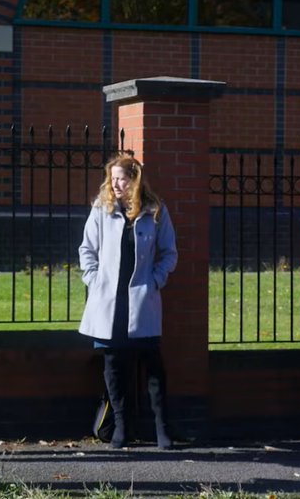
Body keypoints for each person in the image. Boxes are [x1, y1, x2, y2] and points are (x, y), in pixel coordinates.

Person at [78, 151, 178, 450]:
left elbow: (169, 253)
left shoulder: (155, 211)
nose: (116, 184)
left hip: (141, 301)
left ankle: (162, 429)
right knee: (114, 367)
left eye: (122, 178)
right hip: (109, 303)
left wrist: (155, 280)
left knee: (153, 366)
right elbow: (87, 250)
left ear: (135, 180)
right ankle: (120, 429)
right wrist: (94, 281)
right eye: (113, 178)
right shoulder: (101, 209)